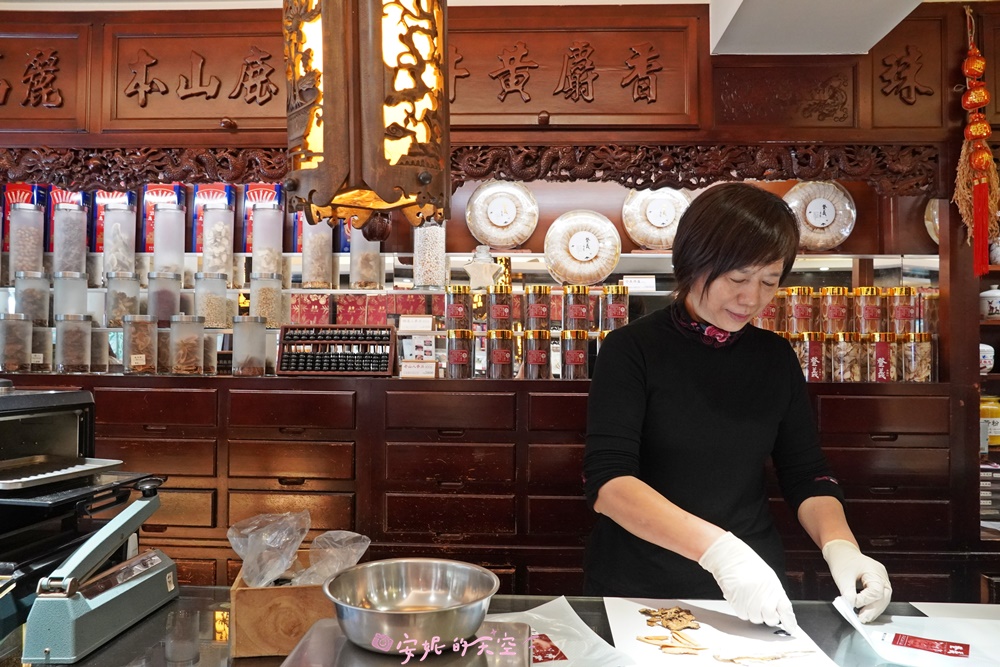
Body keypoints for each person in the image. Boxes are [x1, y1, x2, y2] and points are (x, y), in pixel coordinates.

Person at [582, 182, 891, 631]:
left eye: (769, 281)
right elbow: (610, 483)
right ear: (693, 261)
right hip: (641, 583)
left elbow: (806, 474)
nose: (753, 298)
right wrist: (720, 553)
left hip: (754, 589)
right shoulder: (632, 349)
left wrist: (843, 548)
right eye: (738, 278)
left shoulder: (775, 357)